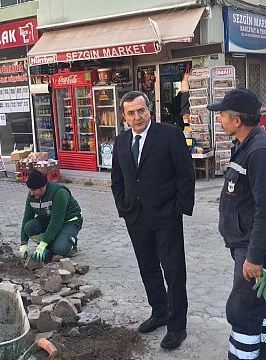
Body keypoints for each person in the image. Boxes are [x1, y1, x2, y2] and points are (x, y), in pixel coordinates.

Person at [207, 88, 266, 360]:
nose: (219, 118)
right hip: (248, 250)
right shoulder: (247, 146)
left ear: (237, 121)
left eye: (222, 115)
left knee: (242, 313)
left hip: (256, 254)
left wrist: (254, 258)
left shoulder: (261, 152)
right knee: (262, 310)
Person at [110, 91, 195, 350]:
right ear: (124, 116)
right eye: (132, 113)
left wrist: (179, 208)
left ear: (150, 110)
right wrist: (123, 207)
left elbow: (186, 174)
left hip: (166, 216)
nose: (138, 117)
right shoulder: (121, 142)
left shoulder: (169, 134)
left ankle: (177, 327)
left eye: (141, 111)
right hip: (136, 217)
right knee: (148, 267)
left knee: (174, 271)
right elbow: (118, 179)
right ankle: (159, 312)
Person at [19, 170, 83, 263]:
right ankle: (50, 246)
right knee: (29, 227)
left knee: (60, 249)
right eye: (30, 190)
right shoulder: (32, 196)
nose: (31, 193)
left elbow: (56, 222)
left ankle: (70, 244)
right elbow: (27, 218)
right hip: (48, 218)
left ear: (43, 187)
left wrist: (42, 245)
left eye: (33, 190)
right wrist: (23, 243)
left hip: (69, 221)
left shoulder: (59, 193)